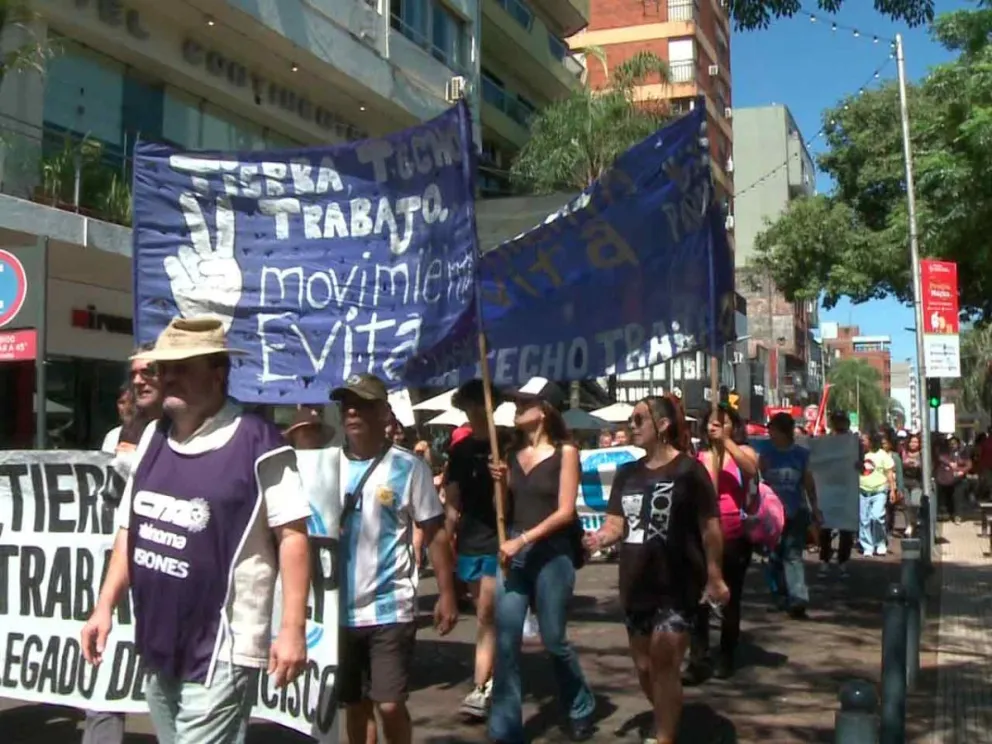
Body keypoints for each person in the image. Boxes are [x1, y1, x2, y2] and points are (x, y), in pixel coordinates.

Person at [80, 317, 313, 744]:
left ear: (218, 373)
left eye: (182, 367)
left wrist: (293, 629)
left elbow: (294, 535)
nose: (168, 377)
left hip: (221, 649)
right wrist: (104, 605)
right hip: (158, 640)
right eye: (163, 368)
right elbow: (129, 529)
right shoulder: (152, 438)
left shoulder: (258, 443)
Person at [584, 394, 728, 744]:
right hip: (636, 583)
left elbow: (710, 528)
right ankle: (667, 712)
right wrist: (597, 539)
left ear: (662, 425)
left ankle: (664, 736)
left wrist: (715, 574)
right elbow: (616, 525)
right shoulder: (627, 474)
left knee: (664, 661)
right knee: (646, 668)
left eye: (638, 420)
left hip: (677, 584)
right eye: (630, 422)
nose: (630, 427)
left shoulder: (689, 471)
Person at [331, 374, 458, 744]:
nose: (352, 411)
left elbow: (433, 532)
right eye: (345, 405)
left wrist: (447, 594)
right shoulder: (325, 465)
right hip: (339, 608)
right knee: (355, 704)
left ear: (385, 412)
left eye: (363, 404)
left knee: (388, 703)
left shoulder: (409, 468)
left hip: (391, 607)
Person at [487, 378, 595, 744]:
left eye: (525, 402)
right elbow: (500, 510)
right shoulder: (508, 452)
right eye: (516, 401)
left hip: (552, 553)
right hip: (513, 553)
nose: (517, 407)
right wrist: (499, 485)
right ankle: (504, 730)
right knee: (505, 639)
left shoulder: (567, 452)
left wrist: (523, 540)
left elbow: (566, 512)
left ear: (545, 410)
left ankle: (580, 705)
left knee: (553, 639)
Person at [442, 380, 503, 719]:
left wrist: (503, 479)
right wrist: (446, 541)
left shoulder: (505, 442)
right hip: (470, 541)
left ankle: (482, 686)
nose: (474, 412)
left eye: (479, 405)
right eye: (468, 406)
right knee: (484, 615)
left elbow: (511, 498)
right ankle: (493, 676)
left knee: (486, 614)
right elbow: (452, 502)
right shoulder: (460, 451)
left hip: (499, 540)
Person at [689, 403, 758, 680]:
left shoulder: (745, 451)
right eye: (711, 423)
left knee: (730, 597)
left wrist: (727, 443)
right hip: (704, 532)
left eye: (721, 422)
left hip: (733, 533)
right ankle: (698, 658)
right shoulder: (702, 455)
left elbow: (750, 469)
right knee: (698, 598)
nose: (714, 427)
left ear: (733, 426)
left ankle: (727, 654)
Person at [759, 413, 821, 617]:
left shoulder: (801, 454)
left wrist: (815, 507)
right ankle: (780, 596)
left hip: (796, 511)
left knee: (793, 555)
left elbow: (808, 483)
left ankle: (798, 598)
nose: (770, 434)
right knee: (773, 557)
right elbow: (759, 481)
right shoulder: (765, 453)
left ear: (783, 431)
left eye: (773, 430)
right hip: (771, 514)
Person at [817, 411, 858, 579]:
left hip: (847, 488)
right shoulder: (825, 442)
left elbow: (860, 463)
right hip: (827, 488)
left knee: (846, 529)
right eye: (837, 421)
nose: (840, 425)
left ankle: (842, 562)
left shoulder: (854, 442)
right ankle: (825, 560)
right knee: (825, 528)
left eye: (842, 421)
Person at [858, 431, 897, 556]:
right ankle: (867, 546)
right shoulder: (859, 454)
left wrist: (892, 490)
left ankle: (880, 543)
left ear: (871, 441)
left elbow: (889, 473)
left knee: (876, 518)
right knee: (864, 521)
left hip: (879, 491)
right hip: (862, 491)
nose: (862, 442)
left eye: (864, 439)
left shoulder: (883, 455)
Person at [901, 432, 925, 537]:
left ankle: (913, 521)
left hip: (917, 483)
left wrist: (918, 465)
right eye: (912, 442)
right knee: (906, 505)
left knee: (915, 503)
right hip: (905, 482)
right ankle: (909, 526)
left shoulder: (922, 454)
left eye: (916, 442)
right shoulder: (903, 453)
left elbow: (927, 468)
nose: (913, 444)